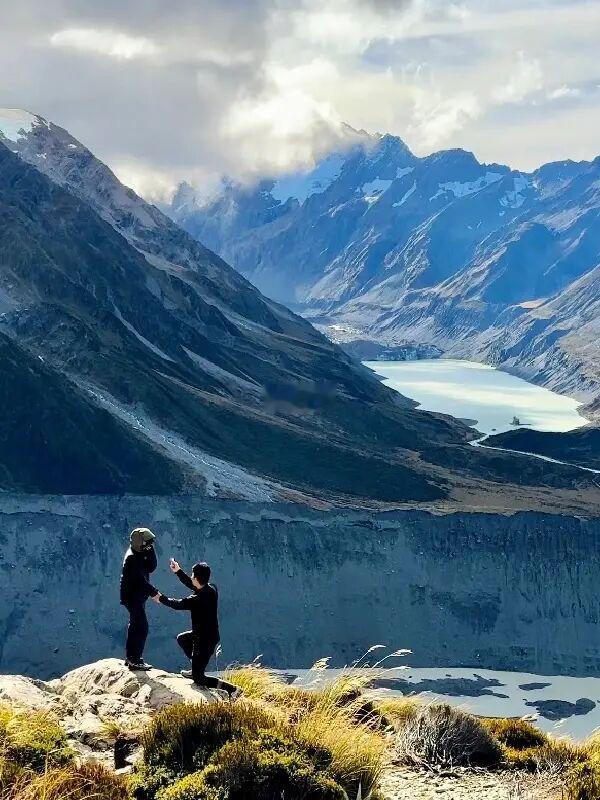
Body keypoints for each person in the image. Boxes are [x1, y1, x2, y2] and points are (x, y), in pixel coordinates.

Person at [152, 559, 241, 699]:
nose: (191, 577)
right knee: (183, 639)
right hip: (204, 634)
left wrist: (160, 598)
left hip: (205, 641)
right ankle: (195, 668)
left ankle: (232, 689)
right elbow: (192, 584)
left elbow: (177, 604)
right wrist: (178, 571)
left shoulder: (197, 599)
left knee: (199, 679)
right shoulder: (211, 589)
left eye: (193, 575)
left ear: (196, 578)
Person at [120, 527, 158, 671]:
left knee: (135, 625)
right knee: (141, 626)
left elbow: (151, 567)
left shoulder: (139, 552)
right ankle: (134, 659)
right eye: (146, 544)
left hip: (138, 596)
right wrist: (154, 593)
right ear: (138, 543)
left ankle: (132, 657)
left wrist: (150, 550)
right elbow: (140, 581)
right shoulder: (131, 557)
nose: (149, 546)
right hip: (132, 597)